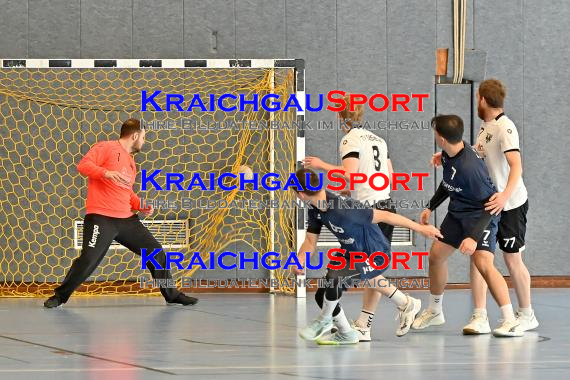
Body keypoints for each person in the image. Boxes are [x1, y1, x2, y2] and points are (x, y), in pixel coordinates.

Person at [44, 119, 197, 308]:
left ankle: (172, 295)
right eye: (143, 137)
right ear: (135, 135)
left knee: (156, 253)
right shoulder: (106, 147)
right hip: (101, 218)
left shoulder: (131, 163)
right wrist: (105, 173)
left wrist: (140, 204)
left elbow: (126, 191)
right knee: (88, 259)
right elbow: (83, 166)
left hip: (126, 220)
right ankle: (59, 297)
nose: (144, 141)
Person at [431, 79, 538, 334]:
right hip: (485, 203)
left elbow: (517, 166)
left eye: (477, 96)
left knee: (512, 260)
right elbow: (478, 153)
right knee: (479, 257)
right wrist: (446, 154)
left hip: (508, 204)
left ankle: (526, 313)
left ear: (482, 100)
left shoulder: (506, 128)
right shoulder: (485, 126)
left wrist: (504, 197)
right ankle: (480, 315)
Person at [292, 168, 442, 345]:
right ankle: (347, 333)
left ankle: (324, 320)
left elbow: (386, 215)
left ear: (300, 194)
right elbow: (310, 241)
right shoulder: (315, 209)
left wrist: (421, 228)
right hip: (351, 252)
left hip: (374, 253)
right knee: (322, 295)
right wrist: (299, 259)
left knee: (334, 279)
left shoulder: (344, 209)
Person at [412, 114, 522, 337]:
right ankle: (434, 310)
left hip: (481, 216)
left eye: (435, 133)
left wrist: (473, 236)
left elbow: (490, 206)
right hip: (457, 213)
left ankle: (510, 320)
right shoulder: (447, 153)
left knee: (483, 263)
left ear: (441, 138)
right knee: (435, 256)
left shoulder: (471, 169)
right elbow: (448, 183)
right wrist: (430, 206)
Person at [303, 93, 396, 342]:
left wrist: (322, 165)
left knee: (358, 272)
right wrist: (350, 193)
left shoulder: (349, 140)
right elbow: (389, 176)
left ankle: (403, 304)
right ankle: (362, 324)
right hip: (383, 204)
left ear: (339, 115)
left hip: (366, 215)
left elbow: (351, 174)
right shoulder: (378, 139)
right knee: (369, 269)